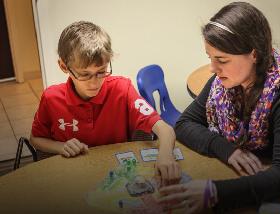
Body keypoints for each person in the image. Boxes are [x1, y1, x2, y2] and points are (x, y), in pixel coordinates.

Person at [157, 1, 280, 213]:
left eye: (222, 60)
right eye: (210, 58)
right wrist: (228, 151)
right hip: (260, 176)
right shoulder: (223, 83)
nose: (212, 68)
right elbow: (185, 123)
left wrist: (215, 192)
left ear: (254, 55)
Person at [30, 21, 181, 186]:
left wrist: (166, 154)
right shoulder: (51, 98)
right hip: (74, 178)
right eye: (85, 74)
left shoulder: (122, 88)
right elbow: (36, 138)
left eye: (101, 71)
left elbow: (165, 129)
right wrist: (60, 147)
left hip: (119, 177)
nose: (94, 83)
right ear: (63, 66)